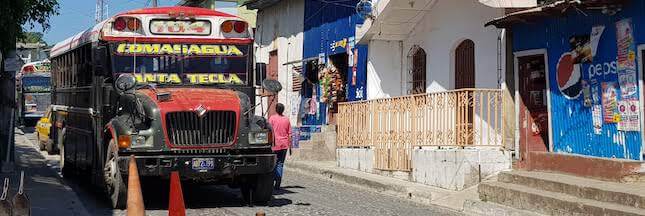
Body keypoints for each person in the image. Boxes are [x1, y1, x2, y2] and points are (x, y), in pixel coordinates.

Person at [268, 103, 291, 190]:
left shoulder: (272, 118)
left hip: (275, 145)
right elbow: (290, 133)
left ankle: (272, 180)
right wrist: (290, 145)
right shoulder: (286, 119)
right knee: (280, 164)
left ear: (276, 109)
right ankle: (278, 182)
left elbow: (269, 130)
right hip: (284, 145)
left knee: (273, 164)